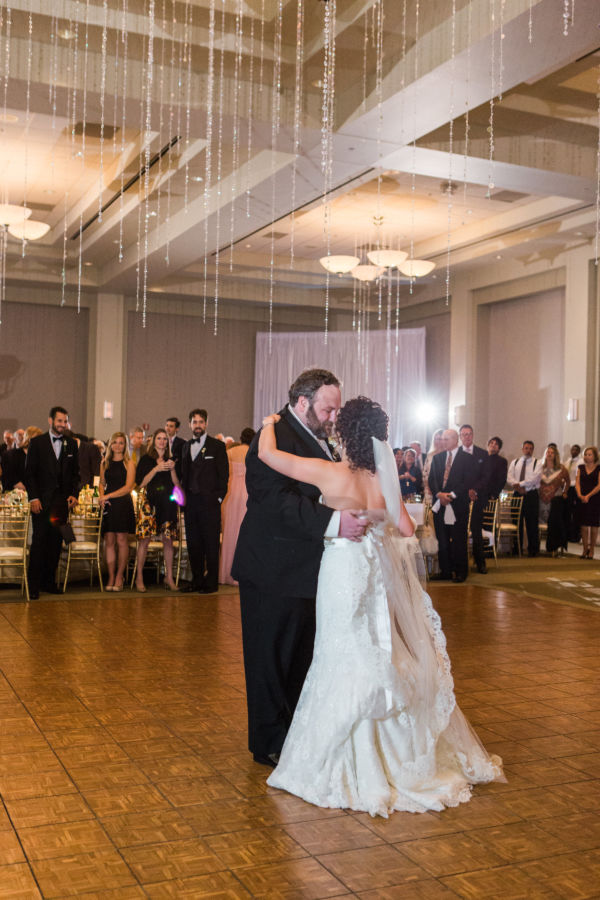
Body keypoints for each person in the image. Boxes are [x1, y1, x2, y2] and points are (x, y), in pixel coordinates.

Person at [258, 396, 503, 816]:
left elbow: (268, 455)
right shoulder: (383, 478)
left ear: (343, 434)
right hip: (373, 573)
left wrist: (268, 423)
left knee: (337, 651)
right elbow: (405, 527)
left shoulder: (331, 472)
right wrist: (375, 516)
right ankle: (392, 751)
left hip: (341, 569)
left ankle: (349, 753)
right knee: (376, 645)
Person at [231, 368, 367, 767]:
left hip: (307, 569)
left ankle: (293, 734)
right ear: (303, 402)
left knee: (300, 658)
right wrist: (334, 521)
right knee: (270, 658)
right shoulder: (273, 436)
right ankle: (269, 742)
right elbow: (275, 501)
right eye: (328, 409)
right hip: (272, 569)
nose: (333, 418)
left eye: (336, 410)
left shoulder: (317, 437)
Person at [24, 407, 80, 599]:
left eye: (65, 421)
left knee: (55, 543)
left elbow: (75, 474)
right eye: (59, 421)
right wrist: (33, 498)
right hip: (41, 502)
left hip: (61, 504)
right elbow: (29, 474)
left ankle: (49, 582)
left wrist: (74, 494)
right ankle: (33, 585)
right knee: (39, 542)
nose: (62, 425)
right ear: (50, 421)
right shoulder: (37, 443)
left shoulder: (71, 444)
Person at [179, 408, 229, 594]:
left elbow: (224, 476)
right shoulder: (185, 446)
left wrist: (218, 499)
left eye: (201, 422)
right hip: (191, 504)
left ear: (206, 424)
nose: (198, 425)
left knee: (211, 544)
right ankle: (197, 580)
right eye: (195, 422)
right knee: (194, 544)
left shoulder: (217, 446)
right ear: (190, 424)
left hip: (209, 504)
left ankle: (211, 583)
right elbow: (184, 475)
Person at [134, 428, 182, 592]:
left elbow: (177, 484)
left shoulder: (171, 460)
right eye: (159, 438)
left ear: (168, 442)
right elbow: (140, 483)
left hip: (167, 503)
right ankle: (139, 577)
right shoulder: (146, 460)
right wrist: (156, 469)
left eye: (164, 439)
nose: (162, 441)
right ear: (153, 441)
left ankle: (169, 577)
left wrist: (172, 468)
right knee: (145, 541)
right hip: (149, 503)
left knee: (168, 541)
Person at [427, 429, 474, 582]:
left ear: (455, 440)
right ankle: (445, 571)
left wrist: (451, 496)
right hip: (439, 503)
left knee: (459, 538)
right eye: (442, 439)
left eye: (446, 439)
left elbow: (467, 481)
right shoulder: (438, 457)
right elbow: (432, 479)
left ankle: (461, 571)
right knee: (442, 539)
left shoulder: (467, 458)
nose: (443, 442)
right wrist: (439, 494)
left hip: (458, 504)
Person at [219, 426, 255, 585]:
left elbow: (223, 473)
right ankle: (241, 573)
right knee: (244, 533)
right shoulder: (254, 452)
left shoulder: (230, 452)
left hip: (230, 492)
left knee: (228, 532)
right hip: (247, 492)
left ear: (240, 438)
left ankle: (225, 573)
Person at [100, 432, 136, 591]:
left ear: (125, 445)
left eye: (121, 443)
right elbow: (102, 483)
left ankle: (120, 576)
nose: (118, 445)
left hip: (122, 503)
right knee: (109, 541)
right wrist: (102, 497)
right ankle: (111, 576)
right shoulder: (104, 463)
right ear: (110, 445)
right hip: (108, 504)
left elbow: (128, 487)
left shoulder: (129, 463)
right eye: (115, 442)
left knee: (121, 540)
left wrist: (107, 495)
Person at [460, 424, 490, 574]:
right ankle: (461, 564)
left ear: (473, 435)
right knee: (460, 532)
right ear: (460, 437)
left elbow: (486, 476)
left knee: (476, 531)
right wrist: (466, 491)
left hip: (477, 498)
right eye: (464, 434)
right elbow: (456, 477)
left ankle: (480, 563)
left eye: (469, 434)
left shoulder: (482, 454)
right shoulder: (456, 453)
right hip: (460, 498)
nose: (467, 437)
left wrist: (474, 490)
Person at [507, 441, 543, 557]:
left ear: (533, 450)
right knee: (516, 521)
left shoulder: (537, 463)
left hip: (531, 494)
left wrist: (520, 485)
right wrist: (517, 487)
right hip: (517, 494)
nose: (528, 450)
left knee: (532, 523)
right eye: (526, 448)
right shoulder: (515, 462)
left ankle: (533, 549)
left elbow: (534, 478)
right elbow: (509, 477)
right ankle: (517, 548)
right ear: (522, 449)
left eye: (531, 448)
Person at [539, 446, 569, 555]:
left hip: (556, 499)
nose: (550, 454)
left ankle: (553, 547)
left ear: (556, 455)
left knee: (554, 523)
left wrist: (565, 491)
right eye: (548, 452)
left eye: (552, 452)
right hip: (541, 500)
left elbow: (568, 481)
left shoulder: (561, 468)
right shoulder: (539, 467)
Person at [575, 446, 600, 559]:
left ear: (595, 456)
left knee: (594, 525)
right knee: (584, 525)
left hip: (594, 498)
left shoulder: (598, 468)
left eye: (590, 454)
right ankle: (585, 549)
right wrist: (580, 495)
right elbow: (577, 483)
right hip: (582, 498)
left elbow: (599, 485)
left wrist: (588, 496)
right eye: (585, 454)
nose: (587, 456)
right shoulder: (580, 467)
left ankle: (592, 549)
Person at [564, 444, 583, 543]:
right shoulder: (567, 461)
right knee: (567, 511)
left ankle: (575, 535)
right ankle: (567, 534)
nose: (574, 451)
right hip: (567, 488)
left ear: (579, 451)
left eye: (576, 450)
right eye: (572, 449)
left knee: (575, 513)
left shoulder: (581, 462)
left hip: (576, 488)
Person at [423, 428, 444, 505]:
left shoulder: (448, 454)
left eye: (439, 439)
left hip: (443, 490)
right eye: (435, 439)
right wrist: (428, 486)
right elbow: (425, 472)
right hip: (429, 489)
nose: (437, 441)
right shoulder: (430, 455)